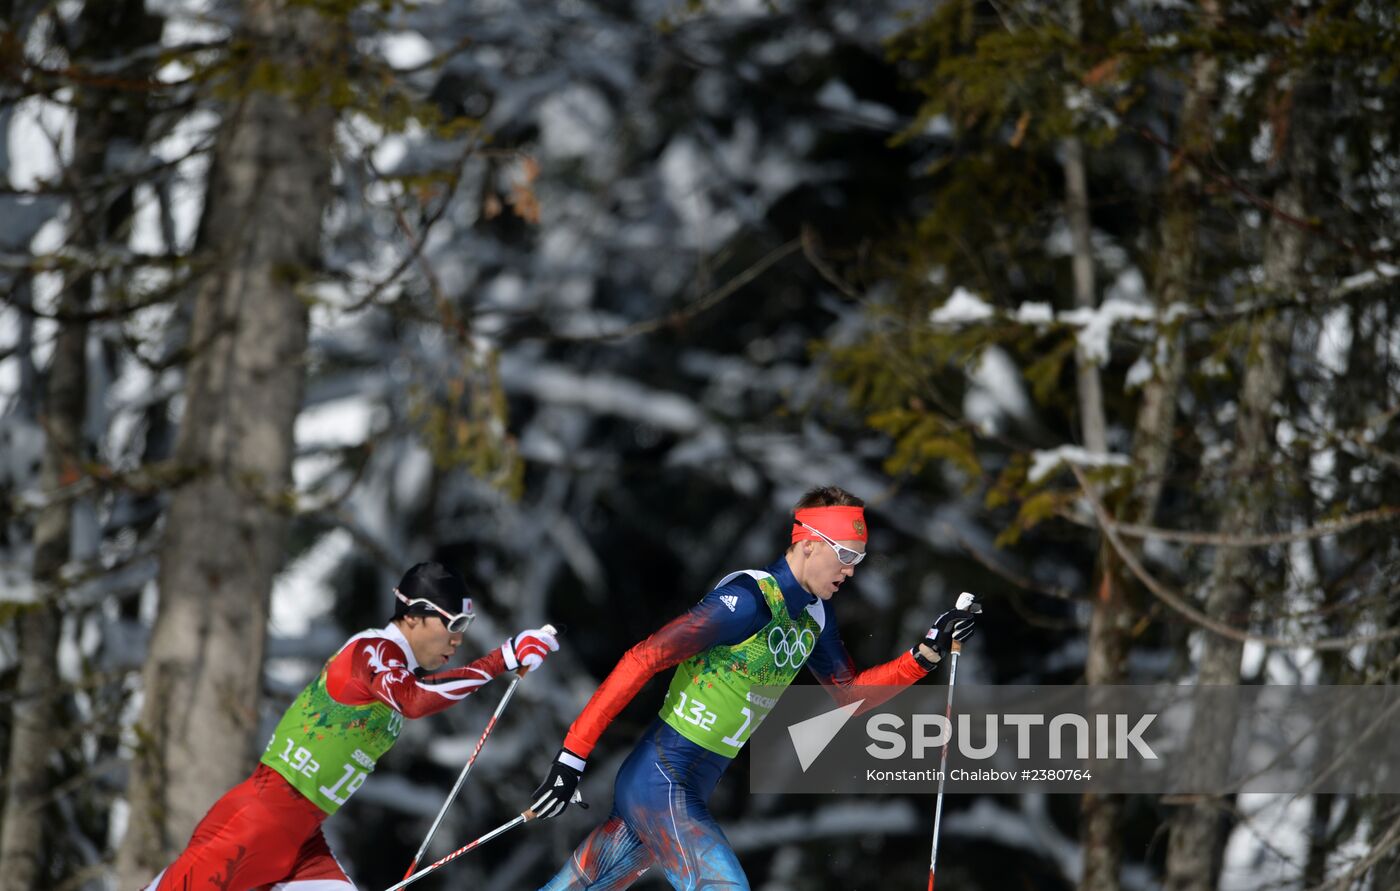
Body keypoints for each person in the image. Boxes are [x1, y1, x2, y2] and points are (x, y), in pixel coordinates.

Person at [527, 487, 979, 890]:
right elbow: (643, 658)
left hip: (683, 787)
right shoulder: (747, 601)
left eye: (858, 559)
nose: (852, 570)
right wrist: (572, 755)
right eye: (845, 554)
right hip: (660, 778)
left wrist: (923, 656)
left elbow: (849, 698)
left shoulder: (814, 618)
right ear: (806, 543)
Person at [141, 561, 559, 891]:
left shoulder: (398, 666)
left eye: (464, 628)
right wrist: (500, 660)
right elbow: (414, 700)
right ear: (415, 615)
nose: (458, 639)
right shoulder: (373, 650)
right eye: (453, 625)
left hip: (301, 837)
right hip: (260, 820)